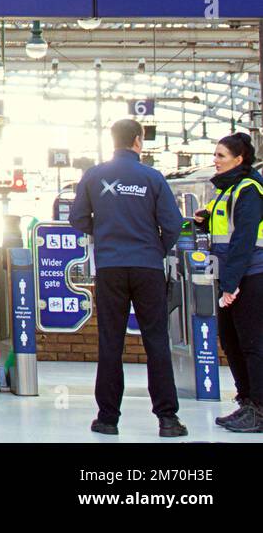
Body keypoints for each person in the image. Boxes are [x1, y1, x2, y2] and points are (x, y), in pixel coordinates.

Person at [69, 118, 186, 437]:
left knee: (110, 342)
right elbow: (174, 225)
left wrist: (106, 233)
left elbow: (78, 219)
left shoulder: (94, 176)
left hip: (110, 269)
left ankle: (107, 419)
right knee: (156, 341)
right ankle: (168, 420)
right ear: (139, 140)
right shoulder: (152, 177)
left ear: (113, 140)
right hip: (148, 267)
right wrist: (155, 248)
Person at [194, 132, 263, 432]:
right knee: (232, 341)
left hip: (251, 276)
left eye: (221, 155)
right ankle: (246, 401)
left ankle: (260, 410)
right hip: (232, 275)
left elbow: (244, 238)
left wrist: (231, 284)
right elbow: (225, 225)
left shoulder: (249, 189)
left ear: (239, 159)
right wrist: (204, 220)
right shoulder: (227, 189)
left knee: (253, 344)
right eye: (215, 154)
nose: (215, 160)